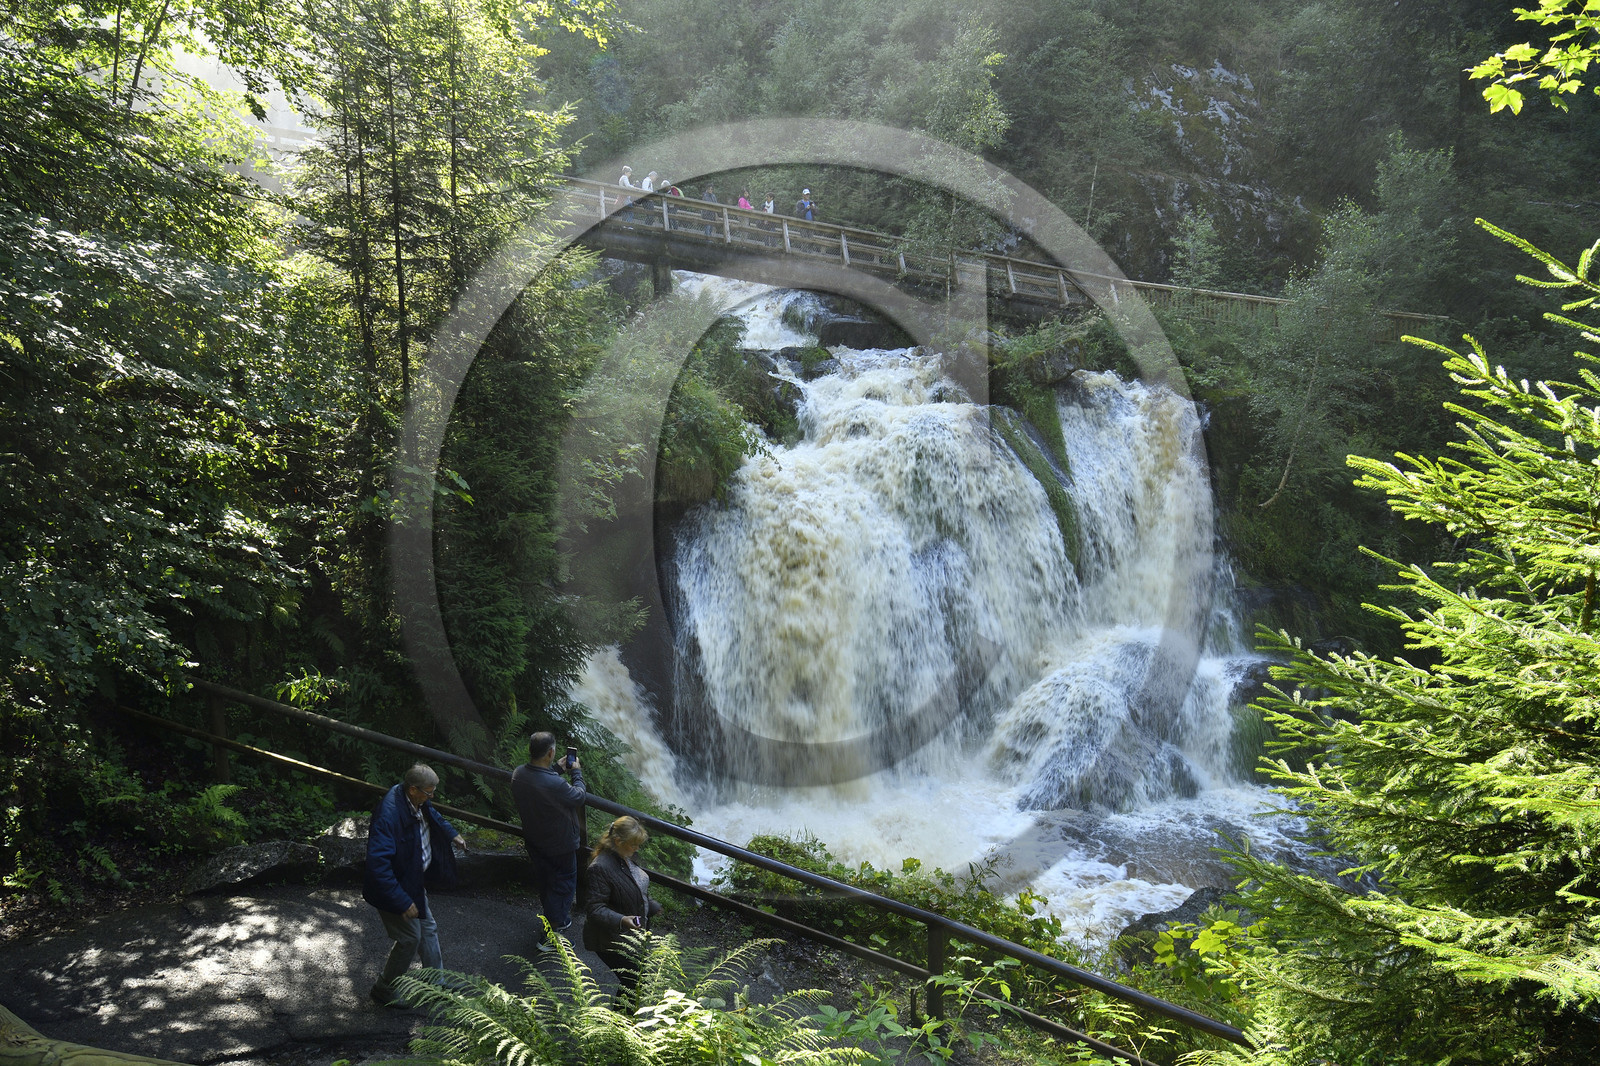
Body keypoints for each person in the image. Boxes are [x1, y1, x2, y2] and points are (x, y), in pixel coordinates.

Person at [363, 763, 467, 1008]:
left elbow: (432, 813)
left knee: (428, 929)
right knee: (410, 938)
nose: (432, 797)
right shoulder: (389, 815)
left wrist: (452, 833)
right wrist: (402, 901)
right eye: (429, 792)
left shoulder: (415, 800)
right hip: (395, 889)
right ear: (413, 789)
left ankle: (436, 982)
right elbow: (378, 867)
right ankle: (384, 989)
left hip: (412, 881)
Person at [511, 732, 586, 950]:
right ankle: (551, 937)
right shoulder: (555, 784)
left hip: (535, 840)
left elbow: (541, 783)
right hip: (559, 845)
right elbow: (579, 796)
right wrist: (576, 772)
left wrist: (557, 769)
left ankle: (556, 919)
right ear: (551, 752)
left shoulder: (519, 773)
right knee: (563, 886)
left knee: (547, 883)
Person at [583, 815, 663, 1002]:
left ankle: (624, 1016)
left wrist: (649, 905)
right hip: (609, 940)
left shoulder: (624, 856)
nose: (637, 849)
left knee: (634, 980)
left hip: (628, 935)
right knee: (633, 981)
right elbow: (594, 909)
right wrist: (622, 920)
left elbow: (632, 887)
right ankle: (621, 1018)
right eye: (634, 844)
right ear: (618, 841)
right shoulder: (600, 868)